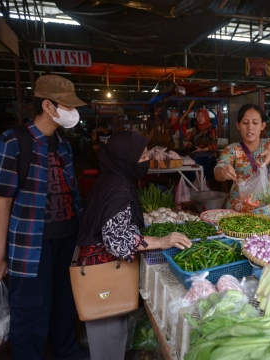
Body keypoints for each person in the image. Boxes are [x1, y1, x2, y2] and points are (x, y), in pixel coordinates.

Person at [0, 75, 89, 360]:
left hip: (67, 239)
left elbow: (72, 193)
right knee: (31, 309)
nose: (73, 112)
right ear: (47, 105)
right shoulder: (12, 142)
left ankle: (66, 351)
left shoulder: (63, 144)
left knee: (64, 304)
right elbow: (1, 201)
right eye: (67, 105)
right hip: (31, 245)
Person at [76, 131, 191, 360]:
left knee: (111, 336)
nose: (148, 159)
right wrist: (162, 241)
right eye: (142, 156)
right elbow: (116, 239)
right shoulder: (117, 187)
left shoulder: (112, 178)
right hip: (104, 277)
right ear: (124, 158)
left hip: (101, 271)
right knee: (108, 340)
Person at [215, 104, 270, 215]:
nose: (250, 127)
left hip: (269, 211)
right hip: (239, 212)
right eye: (245, 123)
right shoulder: (232, 150)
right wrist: (223, 171)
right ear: (238, 125)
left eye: (255, 123)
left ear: (262, 125)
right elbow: (218, 170)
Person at [186, 108, 218, 181]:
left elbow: (214, 145)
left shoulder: (211, 130)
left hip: (207, 156)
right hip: (195, 154)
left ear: (206, 117)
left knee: (197, 165)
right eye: (198, 116)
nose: (200, 118)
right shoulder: (194, 130)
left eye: (202, 116)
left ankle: (200, 185)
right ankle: (191, 186)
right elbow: (190, 141)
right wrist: (191, 148)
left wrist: (202, 149)